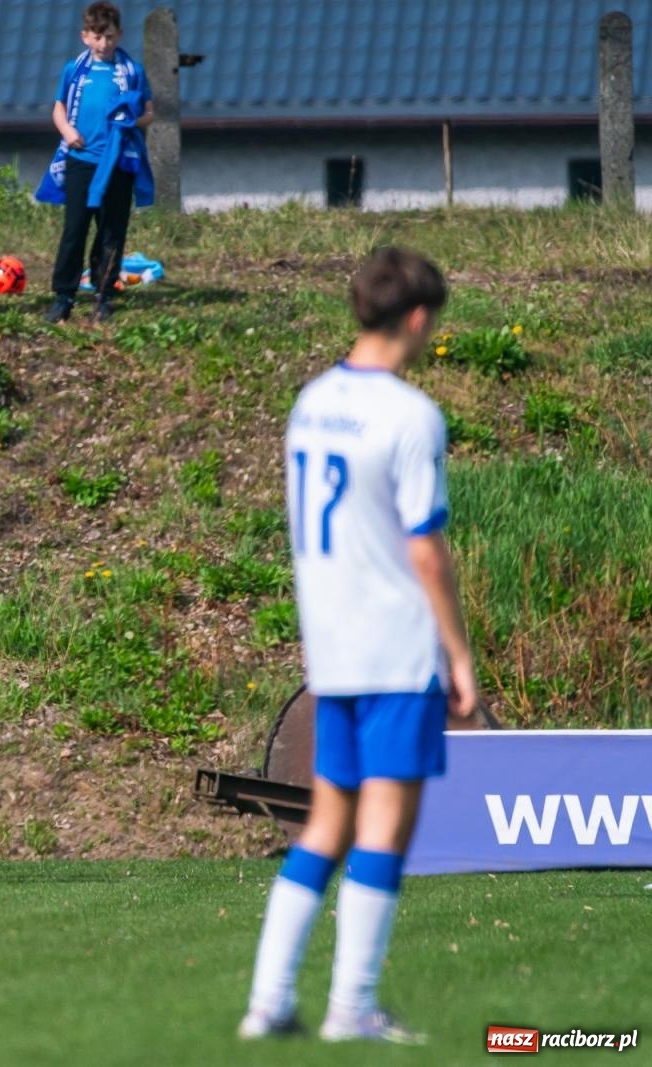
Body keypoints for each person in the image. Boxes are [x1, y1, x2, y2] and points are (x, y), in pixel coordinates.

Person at [240, 248, 477, 1044]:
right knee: (385, 826)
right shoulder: (412, 416)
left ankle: (268, 1001)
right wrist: (459, 653)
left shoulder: (311, 402)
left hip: (331, 644)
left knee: (326, 824)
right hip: (397, 643)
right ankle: (353, 1005)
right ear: (416, 318)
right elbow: (426, 550)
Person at [40, 1, 154, 324]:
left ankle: (104, 292)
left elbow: (149, 111)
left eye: (110, 37)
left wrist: (133, 122)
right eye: (98, 37)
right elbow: (59, 107)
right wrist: (66, 130)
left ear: (119, 35)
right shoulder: (75, 70)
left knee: (111, 229)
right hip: (81, 159)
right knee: (75, 228)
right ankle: (64, 295)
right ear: (85, 37)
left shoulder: (131, 71)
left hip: (118, 161)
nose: (104, 44)